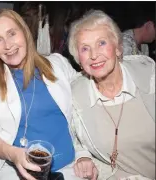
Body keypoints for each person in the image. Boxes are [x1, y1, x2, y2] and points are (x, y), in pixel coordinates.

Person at [0, 9, 98, 180]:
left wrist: (83, 153)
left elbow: (83, 111)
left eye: (12, 33)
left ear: (25, 32)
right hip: (16, 171)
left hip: (72, 168)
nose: (7, 45)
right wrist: (13, 154)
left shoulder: (58, 64)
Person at [68, 9, 155, 180]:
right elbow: (73, 135)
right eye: (85, 48)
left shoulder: (149, 78)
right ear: (79, 59)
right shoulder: (75, 94)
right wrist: (82, 155)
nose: (94, 55)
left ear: (117, 48)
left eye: (101, 43)